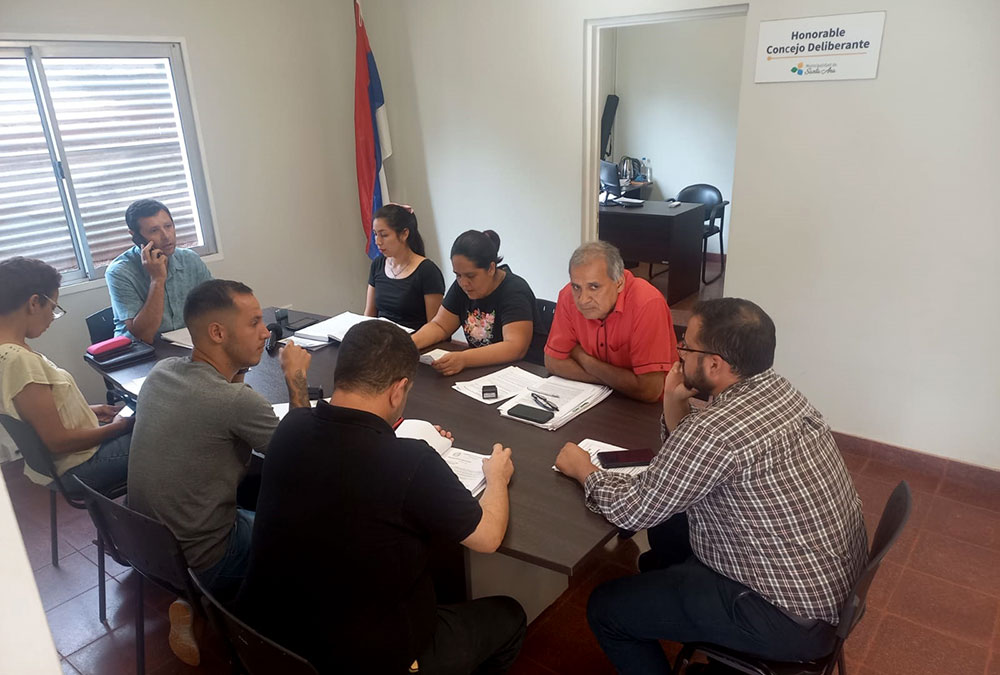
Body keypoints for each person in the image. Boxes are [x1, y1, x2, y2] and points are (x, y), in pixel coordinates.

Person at [555, 298, 867, 675]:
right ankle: (668, 593)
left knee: (606, 610)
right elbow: (688, 471)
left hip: (787, 618)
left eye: (686, 346)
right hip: (827, 589)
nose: (680, 354)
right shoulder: (780, 391)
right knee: (670, 528)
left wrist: (583, 469)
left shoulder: (716, 431)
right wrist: (674, 403)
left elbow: (633, 510)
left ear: (715, 364)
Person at [237, 320, 526, 674]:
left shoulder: (290, 428)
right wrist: (496, 477)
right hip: (363, 661)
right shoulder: (411, 461)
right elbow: (488, 537)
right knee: (510, 616)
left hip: (264, 643)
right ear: (398, 390)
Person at [127, 279, 311, 666]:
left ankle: (192, 602)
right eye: (255, 323)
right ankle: (238, 615)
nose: (267, 333)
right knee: (307, 535)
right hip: (207, 558)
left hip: (146, 547)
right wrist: (296, 379)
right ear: (217, 332)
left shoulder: (161, 372)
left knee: (251, 498)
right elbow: (304, 455)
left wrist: (239, 365)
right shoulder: (233, 401)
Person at [0, 257, 133, 490]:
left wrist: (90, 410)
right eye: (52, 308)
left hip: (61, 465)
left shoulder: (8, 353)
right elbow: (58, 442)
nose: (52, 318)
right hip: (80, 466)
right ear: (34, 303)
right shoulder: (19, 361)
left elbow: (36, 416)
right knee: (170, 435)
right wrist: (118, 426)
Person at [544, 241, 678, 402]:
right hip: (594, 397)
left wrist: (584, 359)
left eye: (594, 287)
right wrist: (614, 381)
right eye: (576, 287)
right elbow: (553, 362)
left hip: (651, 409)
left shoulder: (647, 303)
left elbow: (649, 390)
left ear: (619, 283)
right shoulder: (567, 296)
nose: (583, 299)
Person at [411, 230, 536, 376]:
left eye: (471, 276)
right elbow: (440, 326)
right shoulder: (462, 286)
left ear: (491, 268)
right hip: (480, 369)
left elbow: (515, 347)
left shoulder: (515, 291)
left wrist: (464, 359)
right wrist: (408, 344)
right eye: (458, 275)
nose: (464, 283)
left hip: (519, 373)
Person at [105, 198, 213, 343]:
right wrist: (157, 280)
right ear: (135, 236)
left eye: (168, 226)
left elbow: (216, 306)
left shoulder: (190, 259)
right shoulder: (119, 272)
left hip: (184, 345)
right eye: (154, 231)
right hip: (140, 350)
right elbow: (143, 336)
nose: (166, 236)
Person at [364, 203, 446, 330]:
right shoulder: (378, 265)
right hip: (380, 337)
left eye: (384, 235)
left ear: (404, 234)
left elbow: (435, 327)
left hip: (413, 339)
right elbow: (369, 315)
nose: (378, 241)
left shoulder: (427, 271)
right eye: (375, 234)